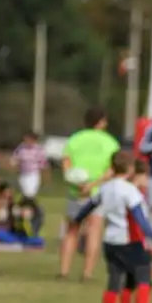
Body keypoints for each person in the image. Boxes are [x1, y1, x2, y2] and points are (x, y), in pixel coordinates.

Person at [97, 151, 152, 303]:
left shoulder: (108, 188)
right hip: (130, 241)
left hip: (110, 240)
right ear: (134, 171)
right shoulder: (131, 192)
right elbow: (139, 220)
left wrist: (76, 221)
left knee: (117, 281)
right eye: (146, 176)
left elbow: (91, 204)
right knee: (144, 278)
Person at [59, 107, 120, 281]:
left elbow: (66, 163)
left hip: (75, 191)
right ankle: (87, 273)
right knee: (94, 231)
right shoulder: (110, 142)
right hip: (98, 191)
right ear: (101, 122)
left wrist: (77, 183)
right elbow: (112, 169)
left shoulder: (75, 139)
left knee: (72, 230)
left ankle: (64, 271)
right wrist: (93, 184)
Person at [11, 131, 48, 201]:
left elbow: (43, 162)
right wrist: (16, 164)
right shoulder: (21, 147)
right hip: (23, 173)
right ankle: (26, 205)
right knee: (25, 192)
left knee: (31, 193)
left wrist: (43, 171)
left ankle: (30, 206)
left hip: (33, 173)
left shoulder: (38, 149)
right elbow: (15, 158)